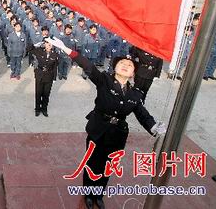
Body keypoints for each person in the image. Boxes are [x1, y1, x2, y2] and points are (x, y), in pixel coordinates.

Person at [48, 36, 166, 209]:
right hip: (98, 129)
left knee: (108, 166)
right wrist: (66, 49)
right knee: (93, 164)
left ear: (133, 74)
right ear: (114, 68)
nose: (126, 66)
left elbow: (142, 113)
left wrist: (154, 126)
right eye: (122, 64)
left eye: (130, 65)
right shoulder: (104, 80)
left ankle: (99, 195)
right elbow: (87, 65)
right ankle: (89, 194)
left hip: (117, 134)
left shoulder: (135, 93)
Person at [28, 37, 58, 117]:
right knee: (38, 93)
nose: (49, 45)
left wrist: (54, 78)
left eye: (50, 44)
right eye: (47, 43)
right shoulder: (39, 51)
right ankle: (37, 109)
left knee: (46, 94)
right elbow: (28, 49)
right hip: (39, 75)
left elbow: (55, 67)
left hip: (49, 76)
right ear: (44, 44)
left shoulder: (55, 54)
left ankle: (44, 109)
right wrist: (35, 45)